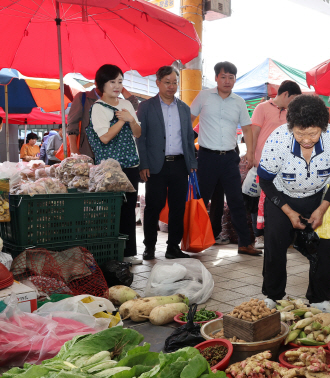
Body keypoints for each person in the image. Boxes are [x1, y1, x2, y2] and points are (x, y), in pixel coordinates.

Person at [257, 94, 330, 313]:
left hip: (318, 197)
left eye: (313, 133)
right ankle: (273, 296)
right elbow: (266, 181)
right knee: (275, 246)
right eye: (300, 133)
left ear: (323, 127)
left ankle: (319, 300)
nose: (306, 140)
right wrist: (288, 212)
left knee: (325, 249)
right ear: (291, 127)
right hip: (281, 197)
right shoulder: (278, 139)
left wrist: (323, 207)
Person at [190, 61, 261, 256]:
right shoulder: (204, 96)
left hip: (230, 158)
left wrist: (251, 152)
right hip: (206, 157)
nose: (227, 81)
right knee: (201, 201)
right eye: (223, 76)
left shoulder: (239, 101)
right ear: (216, 78)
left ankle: (245, 244)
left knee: (236, 200)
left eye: (231, 77)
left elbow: (247, 128)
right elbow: (189, 118)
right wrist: (187, 147)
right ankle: (194, 241)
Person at [137, 66, 198, 261]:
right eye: (167, 82)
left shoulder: (184, 108)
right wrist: (143, 164)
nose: (171, 86)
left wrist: (192, 163)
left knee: (178, 207)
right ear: (158, 83)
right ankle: (149, 247)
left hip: (180, 165)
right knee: (153, 207)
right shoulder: (146, 107)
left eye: (174, 83)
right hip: (156, 166)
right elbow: (141, 138)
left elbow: (189, 139)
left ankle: (173, 247)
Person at [88, 64, 143, 265]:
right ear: (101, 84)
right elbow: (104, 138)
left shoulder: (127, 104)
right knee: (111, 210)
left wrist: (131, 120)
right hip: (109, 169)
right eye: (112, 81)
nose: (117, 86)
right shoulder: (97, 107)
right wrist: (122, 121)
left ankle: (128, 253)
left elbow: (138, 133)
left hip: (130, 164)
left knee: (129, 210)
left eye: (120, 81)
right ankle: (111, 254)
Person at [250, 80, 303, 249]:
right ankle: (258, 235)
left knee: (280, 199)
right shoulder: (262, 108)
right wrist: (251, 154)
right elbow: (254, 132)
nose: (295, 103)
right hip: (263, 163)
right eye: (294, 98)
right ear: (286, 94)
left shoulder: (291, 113)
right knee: (261, 200)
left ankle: (278, 235)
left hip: (284, 164)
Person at [67, 82, 138, 158]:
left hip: (112, 152)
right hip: (88, 151)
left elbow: (135, 105)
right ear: (96, 82)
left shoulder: (117, 100)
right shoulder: (83, 97)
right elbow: (72, 124)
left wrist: (122, 88)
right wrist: (73, 149)